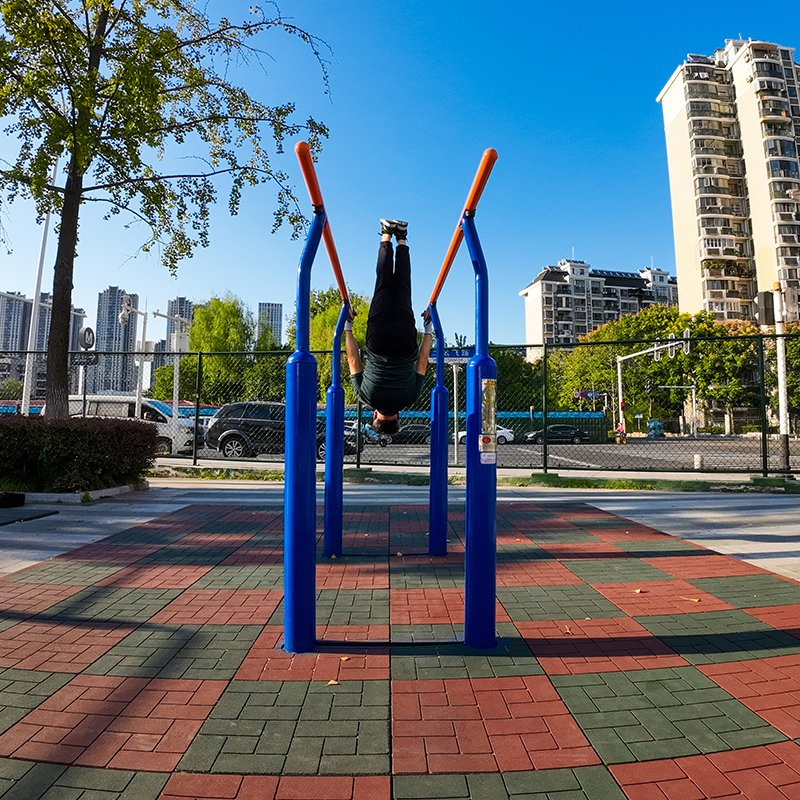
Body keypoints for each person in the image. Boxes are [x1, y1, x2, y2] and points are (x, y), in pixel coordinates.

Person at [345, 219, 433, 436]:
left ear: (399, 418)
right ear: (375, 415)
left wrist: (428, 328)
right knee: (383, 284)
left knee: (403, 286)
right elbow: (354, 359)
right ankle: (386, 234)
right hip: (379, 341)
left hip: (405, 343)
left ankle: (401, 237)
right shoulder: (365, 397)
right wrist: (347, 326)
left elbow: (422, 361)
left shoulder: (409, 398)